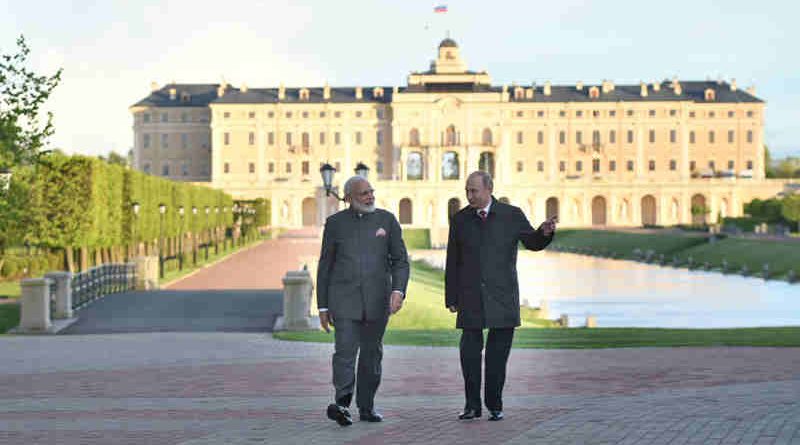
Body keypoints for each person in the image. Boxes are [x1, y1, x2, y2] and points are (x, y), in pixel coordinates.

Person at [445, 171, 557, 422]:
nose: (469, 195)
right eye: (467, 191)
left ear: (488, 189)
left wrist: (545, 232)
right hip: (470, 296)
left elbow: (532, 242)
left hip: (503, 296)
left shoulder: (511, 215)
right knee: (470, 355)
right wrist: (451, 297)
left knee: (497, 358)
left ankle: (494, 405)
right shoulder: (461, 219)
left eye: (474, 191)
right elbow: (453, 260)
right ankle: (472, 406)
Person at [316, 175, 409, 426]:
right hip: (343, 301)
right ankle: (343, 404)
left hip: (378, 302)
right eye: (363, 194)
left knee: (371, 355)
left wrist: (398, 291)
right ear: (348, 198)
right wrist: (323, 306)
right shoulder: (335, 224)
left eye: (371, 191)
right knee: (344, 352)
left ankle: (366, 407)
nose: (370, 196)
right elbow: (325, 266)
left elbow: (400, 260)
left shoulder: (386, 220)